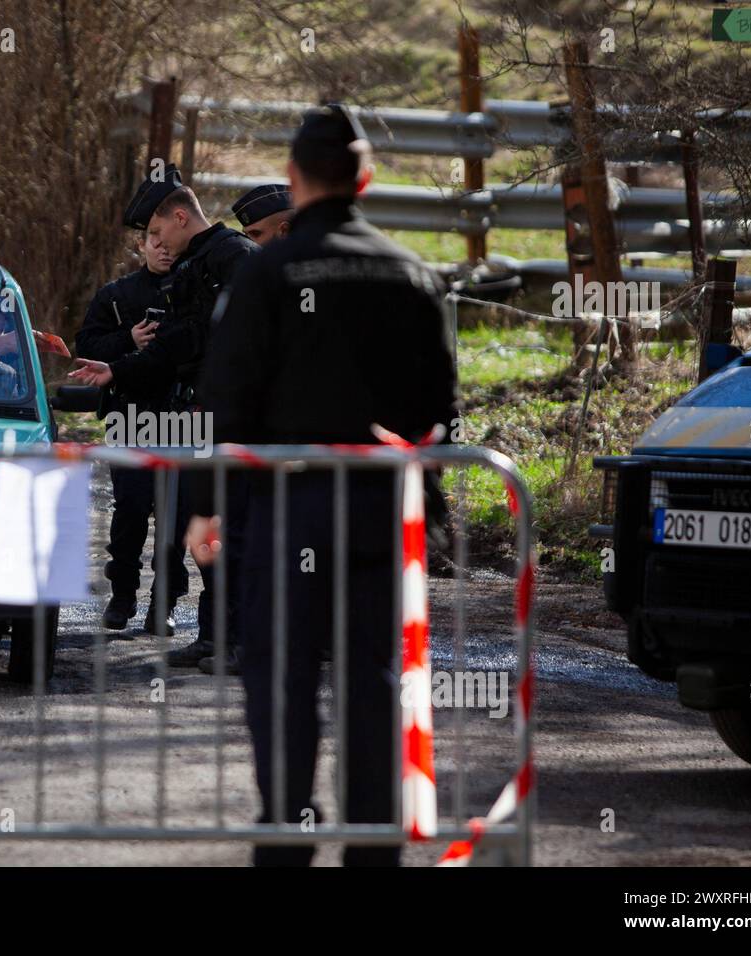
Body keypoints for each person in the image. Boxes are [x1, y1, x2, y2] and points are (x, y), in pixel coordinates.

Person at [185, 104, 459, 866]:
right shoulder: (411, 272)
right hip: (382, 510)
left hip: (290, 507)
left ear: (293, 180)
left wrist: (206, 507)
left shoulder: (266, 271)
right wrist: (427, 514)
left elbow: (225, 400)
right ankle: (374, 848)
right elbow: (440, 409)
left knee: (282, 676)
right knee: (375, 680)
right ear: (365, 180)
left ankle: (289, 835)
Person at [70, 164, 258, 668]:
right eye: (147, 237)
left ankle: (231, 636)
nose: (155, 243)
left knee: (210, 525)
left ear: (179, 217)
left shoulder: (232, 258)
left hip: (226, 418)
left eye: (156, 231)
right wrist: (120, 365)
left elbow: (235, 343)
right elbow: (181, 342)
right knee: (176, 520)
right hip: (179, 413)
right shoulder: (177, 272)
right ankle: (211, 635)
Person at [75, 230, 186, 634]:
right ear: (140, 244)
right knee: (131, 511)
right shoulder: (117, 294)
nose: (162, 245)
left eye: (168, 238)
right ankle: (122, 596)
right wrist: (129, 339)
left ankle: (165, 604)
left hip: (185, 417)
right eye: (153, 238)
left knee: (178, 516)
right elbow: (85, 343)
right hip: (132, 415)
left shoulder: (196, 291)